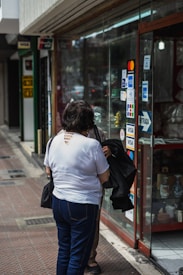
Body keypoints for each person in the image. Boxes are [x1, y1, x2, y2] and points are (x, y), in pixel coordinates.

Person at [44, 100, 110, 275]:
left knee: (64, 250)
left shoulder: (53, 141)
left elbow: (48, 170)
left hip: (58, 202)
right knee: (78, 255)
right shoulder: (91, 145)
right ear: (88, 122)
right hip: (83, 205)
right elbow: (105, 177)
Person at [86, 127, 111, 275]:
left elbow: (105, 174)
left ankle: (90, 258)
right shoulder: (63, 136)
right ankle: (77, 259)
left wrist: (109, 151)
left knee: (93, 224)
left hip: (95, 189)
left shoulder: (97, 132)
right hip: (70, 193)